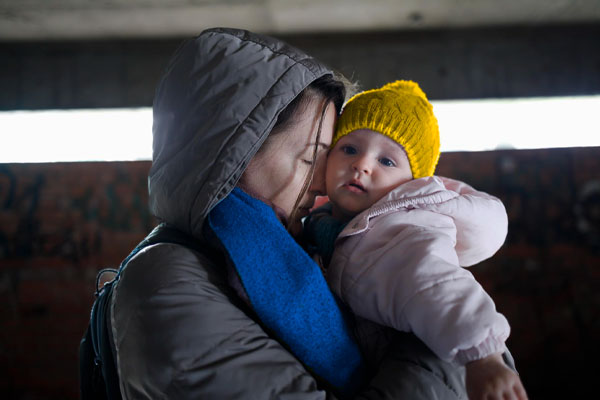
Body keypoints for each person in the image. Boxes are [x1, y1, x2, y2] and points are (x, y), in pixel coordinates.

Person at [107, 27, 482, 399]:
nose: (322, 183)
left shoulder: (289, 250)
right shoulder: (169, 284)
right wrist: (437, 326)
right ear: (236, 153)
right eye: (309, 158)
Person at [303, 80, 528, 399]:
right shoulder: (318, 225)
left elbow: (439, 284)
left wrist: (483, 358)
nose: (362, 165)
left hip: (441, 362)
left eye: (387, 161)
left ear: (410, 184)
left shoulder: (403, 231)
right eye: (350, 148)